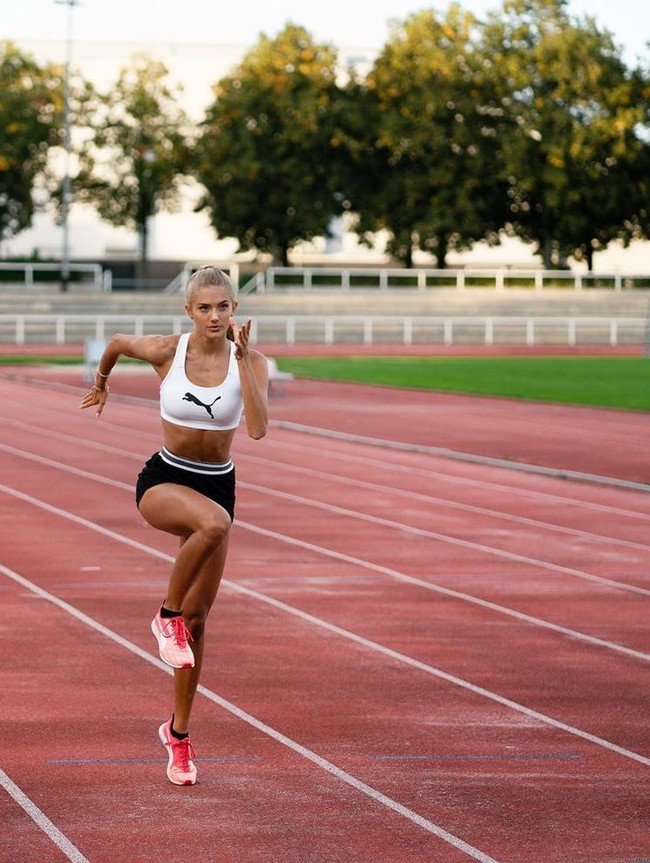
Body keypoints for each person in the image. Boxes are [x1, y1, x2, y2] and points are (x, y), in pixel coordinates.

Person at [80, 266, 269, 786]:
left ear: (234, 310)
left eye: (223, 307)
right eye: (205, 307)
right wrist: (101, 383)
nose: (214, 316)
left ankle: (178, 738)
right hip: (164, 480)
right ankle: (165, 615)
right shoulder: (168, 351)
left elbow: (255, 429)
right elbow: (117, 342)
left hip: (217, 482)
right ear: (189, 311)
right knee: (214, 525)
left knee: (200, 622)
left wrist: (248, 362)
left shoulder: (251, 360)